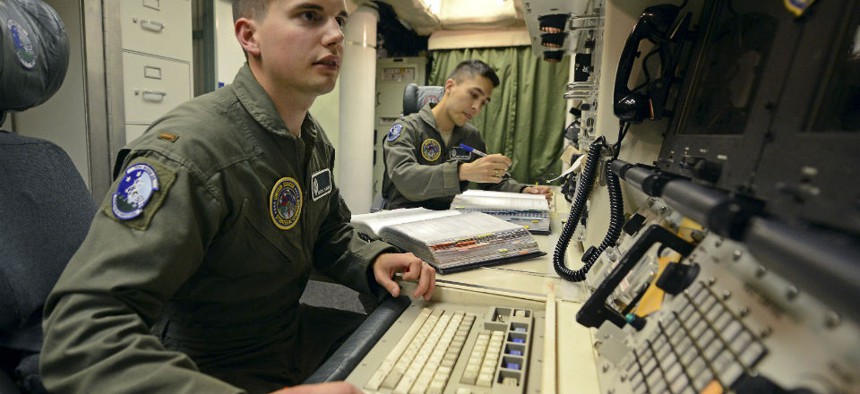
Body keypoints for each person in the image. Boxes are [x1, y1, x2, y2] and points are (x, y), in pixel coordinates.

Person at [39, 1, 435, 393]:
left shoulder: (310, 141)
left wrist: (373, 258)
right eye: (310, 16)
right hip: (204, 363)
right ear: (249, 36)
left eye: (340, 20)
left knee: (415, 357)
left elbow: (327, 232)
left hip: (282, 335)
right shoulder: (190, 154)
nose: (335, 36)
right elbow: (79, 335)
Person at [382, 59, 553, 210]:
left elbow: (492, 180)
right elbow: (404, 176)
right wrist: (462, 171)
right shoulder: (407, 128)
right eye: (473, 95)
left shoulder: (470, 135)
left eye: (483, 103)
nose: (476, 107)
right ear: (450, 86)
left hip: (445, 219)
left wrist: (523, 191)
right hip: (403, 218)